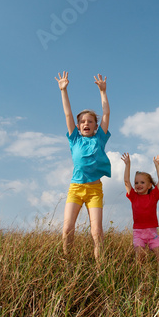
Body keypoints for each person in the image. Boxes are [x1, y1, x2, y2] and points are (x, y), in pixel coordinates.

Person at [55, 70, 111, 262]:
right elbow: (68, 113)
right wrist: (64, 90)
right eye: (83, 122)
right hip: (76, 188)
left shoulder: (100, 138)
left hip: (95, 190)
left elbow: (106, 113)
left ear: (96, 126)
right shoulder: (74, 139)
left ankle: (100, 266)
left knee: (96, 231)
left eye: (90, 121)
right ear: (78, 126)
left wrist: (103, 92)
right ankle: (67, 263)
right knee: (67, 228)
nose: (86, 123)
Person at [121, 153, 159, 267]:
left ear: (150, 185)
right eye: (136, 183)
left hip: (152, 234)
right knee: (140, 257)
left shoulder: (154, 196)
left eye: (142, 182)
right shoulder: (133, 196)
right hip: (138, 234)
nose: (138, 185)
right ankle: (141, 279)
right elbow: (126, 181)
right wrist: (128, 164)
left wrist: (157, 165)